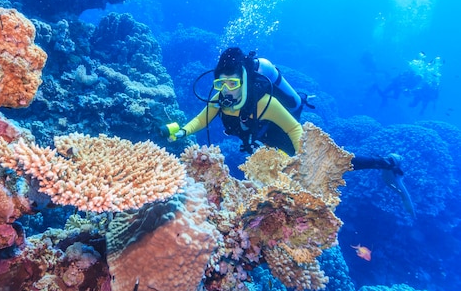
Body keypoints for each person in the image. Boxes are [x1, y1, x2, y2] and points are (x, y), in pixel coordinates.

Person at [171, 47, 414, 217]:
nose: (226, 91)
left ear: (244, 81)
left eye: (232, 84)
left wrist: (302, 159)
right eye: (220, 84)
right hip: (263, 141)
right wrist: (182, 132)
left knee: (332, 161)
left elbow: (293, 127)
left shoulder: (264, 101)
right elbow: (201, 119)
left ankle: (388, 163)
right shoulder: (219, 99)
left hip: (282, 138)